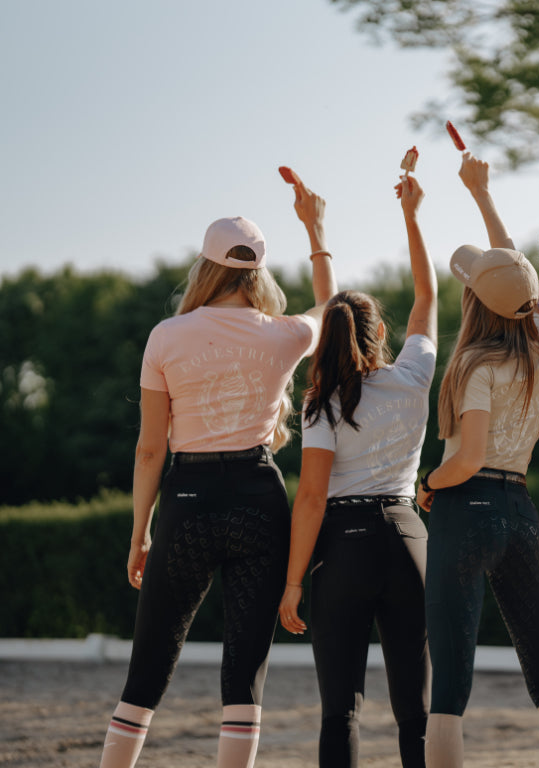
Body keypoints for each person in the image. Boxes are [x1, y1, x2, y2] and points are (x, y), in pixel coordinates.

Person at [100, 173, 337, 768]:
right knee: (244, 675)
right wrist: (315, 228)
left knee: (149, 666)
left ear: (205, 267)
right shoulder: (283, 336)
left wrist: (139, 532)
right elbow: (331, 308)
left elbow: (149, 451)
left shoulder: (167, 336)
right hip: (259, 499)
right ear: (258, 271)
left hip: (187, 501)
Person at [414, 154, 539, 768]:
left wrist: (428, 483)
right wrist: (483, 195)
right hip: (520, 507)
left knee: (451, 688)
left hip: (466, 508)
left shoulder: (475, 364)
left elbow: (468, 458)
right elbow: (512, 266)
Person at [277, 172, 438, 767]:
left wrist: (294, 581)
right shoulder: (414, 375)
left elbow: (312, 499)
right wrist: (413, 215)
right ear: (379, 334)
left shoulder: (323, 402)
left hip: (344, 549)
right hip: (408, 540)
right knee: (415, 712)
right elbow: (426, 296)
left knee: (340, 710)